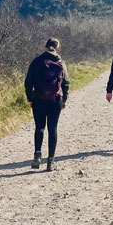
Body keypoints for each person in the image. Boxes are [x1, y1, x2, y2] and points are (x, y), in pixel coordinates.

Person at [24, 37, 70, 171]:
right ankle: (51, 161)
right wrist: (64, 99)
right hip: (55, 100)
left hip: (39, 99)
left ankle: (37, 157)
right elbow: (66, 83)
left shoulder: (37, 61)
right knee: (52, 128)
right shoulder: (61, 62)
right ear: (57, 48)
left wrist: (30, 97)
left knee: (39, 127)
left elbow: (28, 82)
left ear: (46, 46)